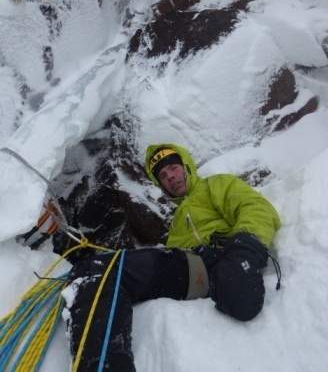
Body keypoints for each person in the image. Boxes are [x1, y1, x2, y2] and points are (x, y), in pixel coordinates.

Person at [65, 144, 281, 371]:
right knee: (92, 270)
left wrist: (243, 249)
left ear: (186, 166)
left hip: (215, 260)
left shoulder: (215, 185)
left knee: (101, 271)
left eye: (174, 168)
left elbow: (256, 207)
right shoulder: (177, 221)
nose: (171, 177)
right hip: (191, 265)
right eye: (164, 176)